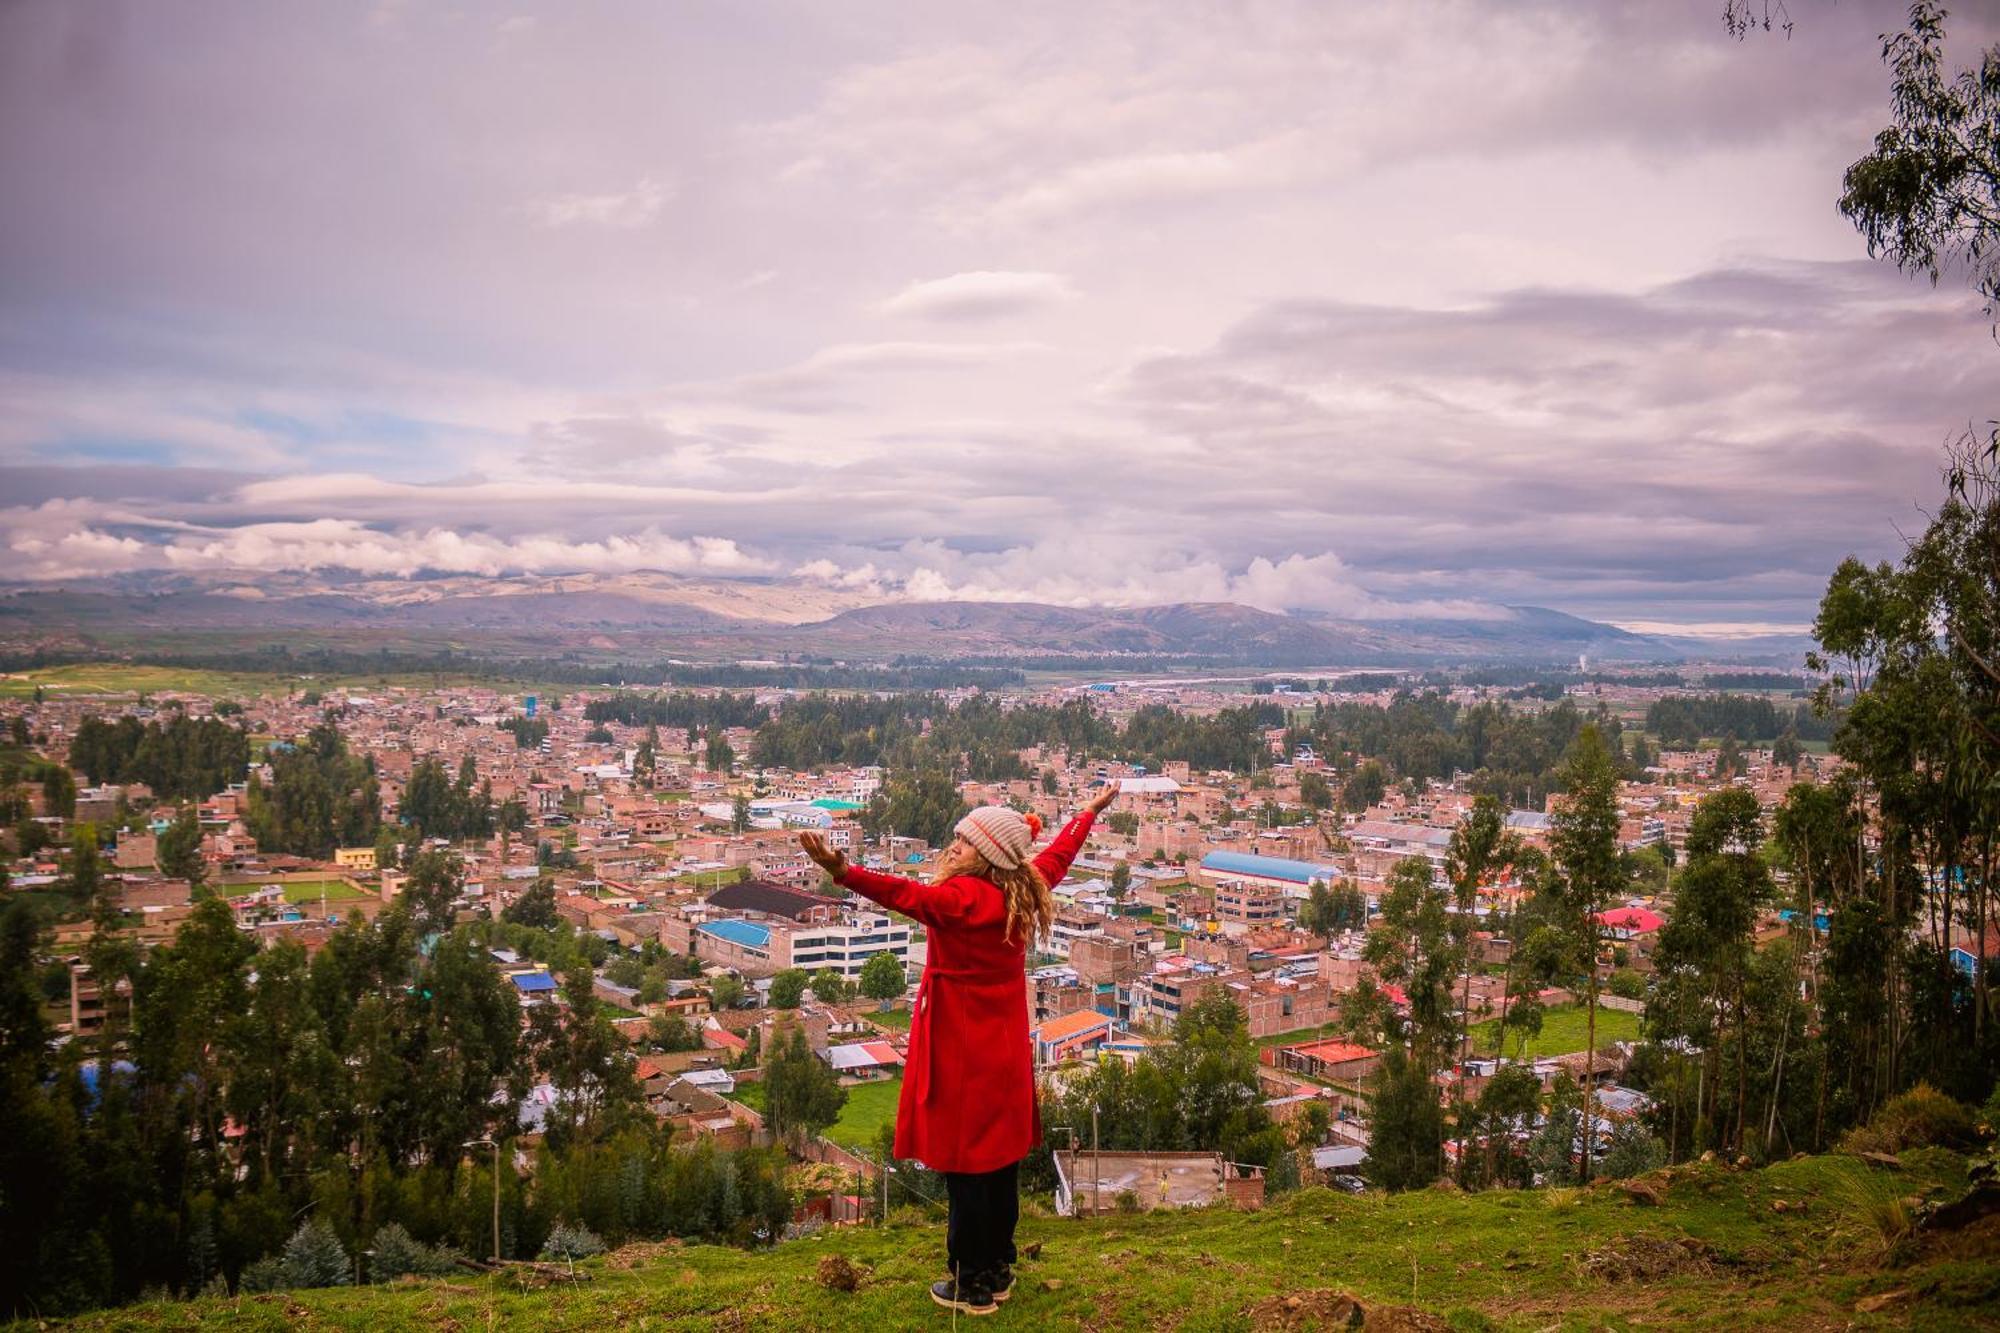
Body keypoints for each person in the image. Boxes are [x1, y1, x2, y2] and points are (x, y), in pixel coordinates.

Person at [799, 781, 1119, 1316]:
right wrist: (1086, 813)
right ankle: (996, 1269)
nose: (954, 846)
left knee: (965, 1163)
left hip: (958, 1041)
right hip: (1003, 1046)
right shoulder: (1023, 888)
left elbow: (905, 895)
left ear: (988, 855)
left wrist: (843, 872)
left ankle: (969, 1283)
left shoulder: (961, 898)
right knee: (998, 1159)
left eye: (965, 842)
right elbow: (1058, 855)